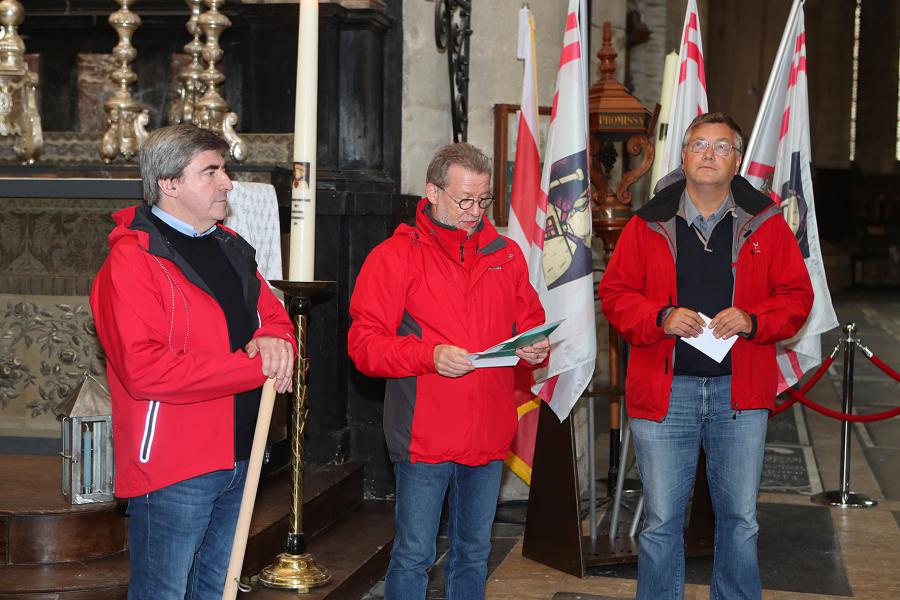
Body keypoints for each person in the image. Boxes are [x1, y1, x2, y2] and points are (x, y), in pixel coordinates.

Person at [597, 112, 813, 600]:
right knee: (661, 520)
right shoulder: (647, 223)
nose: (709, 155)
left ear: (737, 161)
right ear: (684, 156)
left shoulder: (767, 223)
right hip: (665, 390)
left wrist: (754, 320)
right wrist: (660, 318)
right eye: (699, 145)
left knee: (740, 518)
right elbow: (615, 294)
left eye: (720, 147)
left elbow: (797, 297)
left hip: (739, 392)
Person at [90, 124, 296, 600]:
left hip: (242, 451)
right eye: (211, 171)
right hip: (175, 464)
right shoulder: (132, 262)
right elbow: (146, 371)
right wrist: (255, 365)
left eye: (223, 169)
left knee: (216, 589)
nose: (227, 182)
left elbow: (277, 325)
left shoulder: (231, 248)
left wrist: (272, 341)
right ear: (170, 184)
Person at [347, 142, 549, 600]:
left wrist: (537, 347)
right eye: (464, 200)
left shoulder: (506, 254)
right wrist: (429, 356)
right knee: (415, 555)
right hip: (426, 434)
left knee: (473, 552)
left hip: (490, 429)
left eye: (483, 201)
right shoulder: (395, 256)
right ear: (432, 191)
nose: (474, 212)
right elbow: (363, 346)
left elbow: (530, 322)